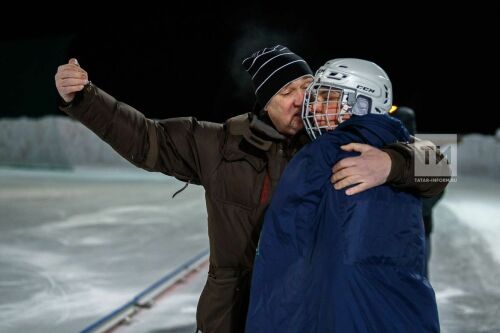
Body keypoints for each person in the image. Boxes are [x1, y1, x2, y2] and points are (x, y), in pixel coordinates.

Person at [54, 45, 447, 333]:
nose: (301, 101)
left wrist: (392, 163)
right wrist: (85, 99)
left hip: (305, 308)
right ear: (264, 103)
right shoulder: (222, 145)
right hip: (233, 310)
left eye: (307, 88)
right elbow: (146, 138)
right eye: (285, 93)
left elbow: (440, 165)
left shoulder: (333, 141)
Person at [246, 59, 439, 332]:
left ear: (362, 102)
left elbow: (441, 163)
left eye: (328, 98)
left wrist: (392, 163)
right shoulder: (320, 144)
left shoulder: (324, 151)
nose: (312, 107)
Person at [390, 106, 445, 278]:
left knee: (418, 277)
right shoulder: (384, 150)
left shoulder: (424, 152)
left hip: (419, 228)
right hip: (394, 232)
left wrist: (412, 210)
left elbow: (437, 190)